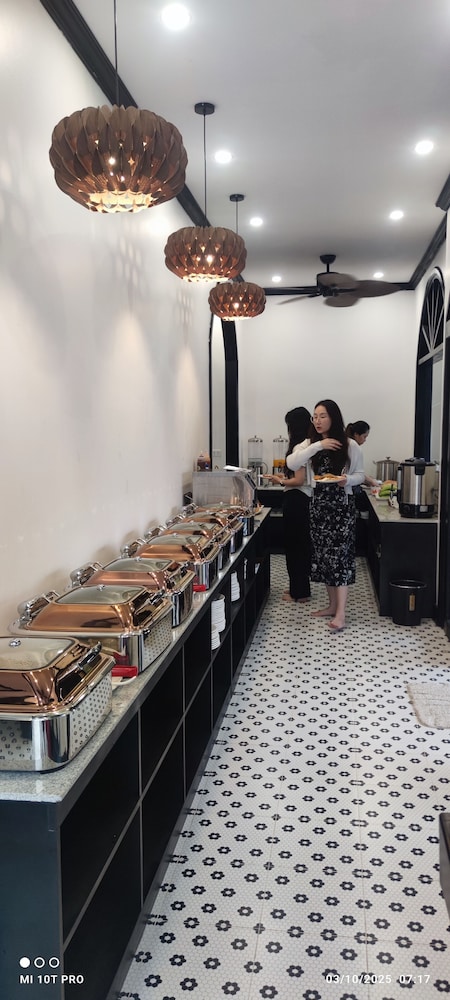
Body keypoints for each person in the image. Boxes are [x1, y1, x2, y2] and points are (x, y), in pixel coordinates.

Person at [285, 399, 365, 631]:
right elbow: (292, 462)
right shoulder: (310, 443)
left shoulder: (350, 445)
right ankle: (331, 606)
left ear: (333, 418)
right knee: (324, 558)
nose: (318, 421)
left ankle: (340, 613)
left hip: (341, 509)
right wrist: (318, 446)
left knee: (340, 559)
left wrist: (347, 480)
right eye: (315, 417)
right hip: (318, 507)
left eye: (323, 416)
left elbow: (361, 475)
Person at [265, 407, 312, 602]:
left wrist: (280, 481)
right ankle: (298, 589)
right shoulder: (308, 445)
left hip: (296, 500)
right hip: (303, 500)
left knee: (295, 547)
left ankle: (299, 593)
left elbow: (299, 480)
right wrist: (283, 476)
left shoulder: (299, 448)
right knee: (300, 546)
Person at [345, 420, 380, 488]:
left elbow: (355, 471)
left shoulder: (351, 446)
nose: (365, 440)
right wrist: (370, 480)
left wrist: (367, 479)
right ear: (356, 434)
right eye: (364, 437)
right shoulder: (353, 447)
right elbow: (351, 473)